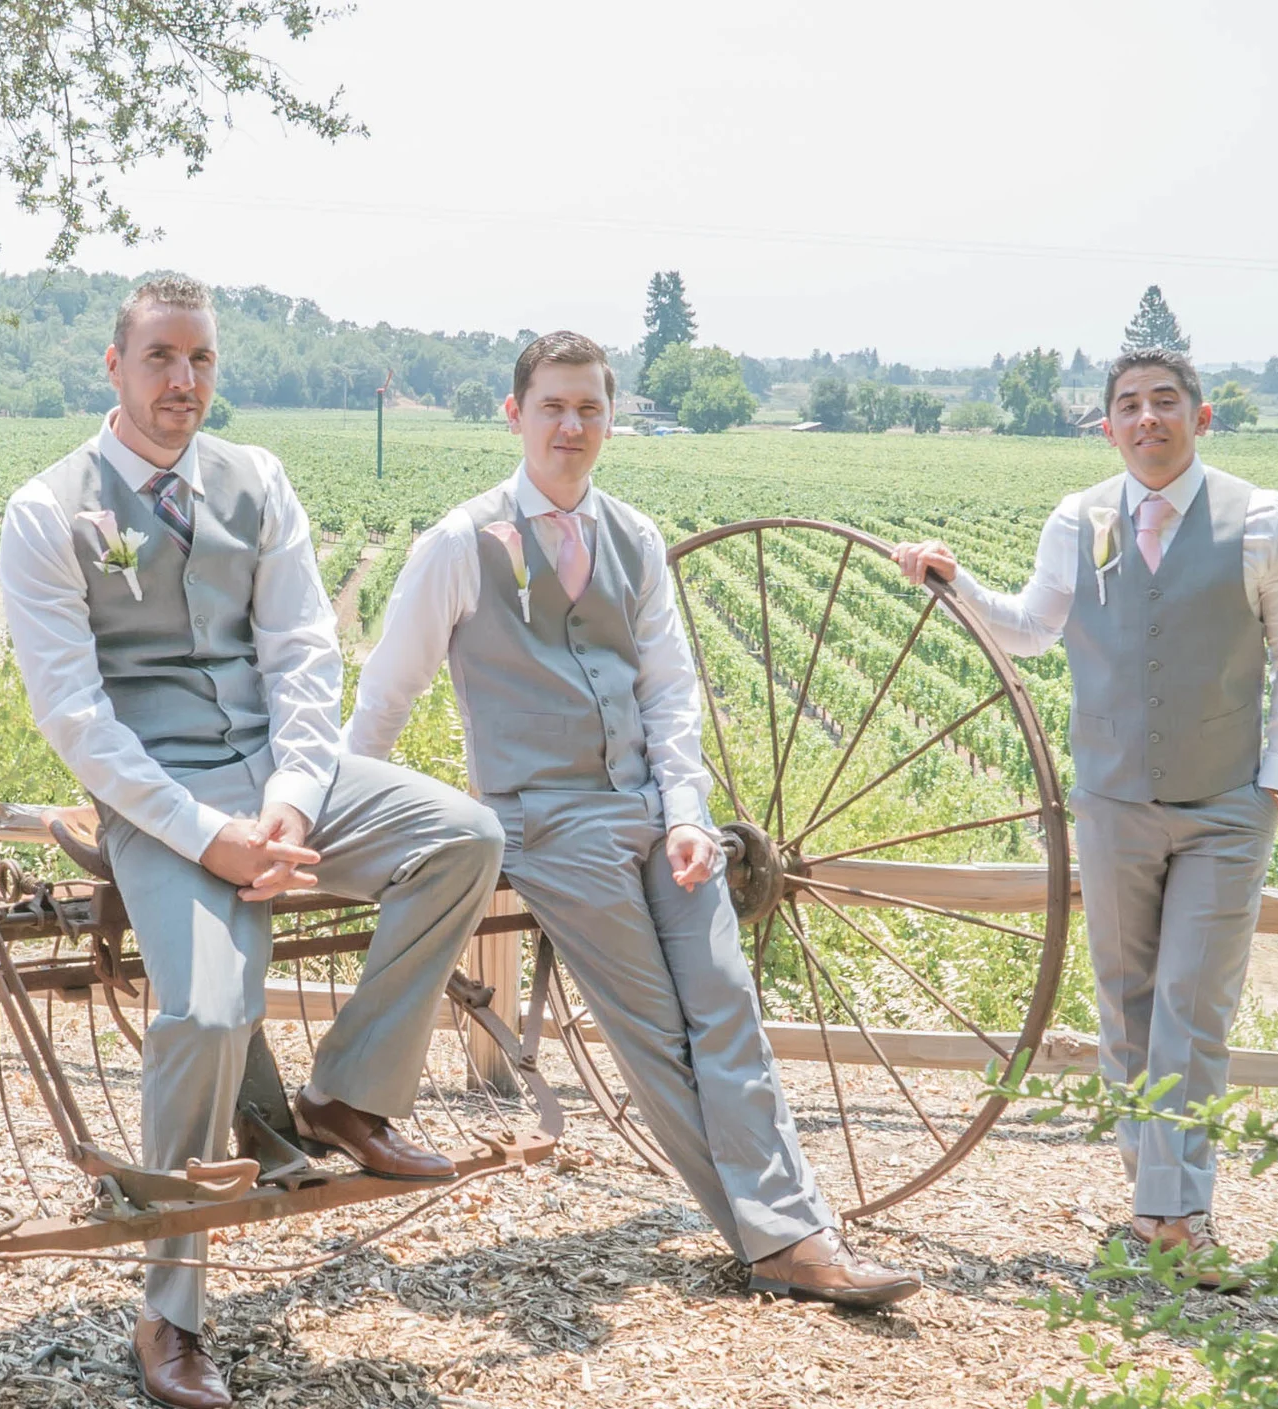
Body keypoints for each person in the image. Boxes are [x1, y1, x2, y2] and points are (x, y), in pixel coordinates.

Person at [0, 276, 505, 1408]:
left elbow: (303, 654)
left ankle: (345, 1097)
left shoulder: (257, 480)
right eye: (160, 357)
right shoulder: (47, 511)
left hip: (280, 775)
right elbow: (75, 716)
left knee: (464, 836)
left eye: (201, 360)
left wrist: (291, 797)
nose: (183, 381)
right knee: (209, 1013)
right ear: (114, 365)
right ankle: (170, 1309)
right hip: (159, 799)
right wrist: (210, 836)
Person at [346, 331, 923, 1310]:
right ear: (515, 415)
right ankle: (788, 1238)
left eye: (589, 409)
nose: (570, 426)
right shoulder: (458, 543)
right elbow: (384, 701)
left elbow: (668, 692)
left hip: (655, 812)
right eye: (552, 407)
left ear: (610, 420)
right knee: (658, 1029)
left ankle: (788, 1231)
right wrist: (342, 816)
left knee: (724, 998)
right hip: (544, 820)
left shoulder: (635, 538)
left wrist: (689, 814)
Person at [892, 348, 1278, 1287]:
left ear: (1200, 418)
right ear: (1107, 427)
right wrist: (953, 583)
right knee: (1126, 1006)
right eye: (1128, 405)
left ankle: (1179, 1216)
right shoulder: (1078, 519)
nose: (1146, 418)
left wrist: (1276, 781)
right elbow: (1031, 629)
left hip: (1225, 805)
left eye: (1165, 402)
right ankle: (1155, 1208)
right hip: (1112, 799)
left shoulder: (1262, 522)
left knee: (1192, 1006)